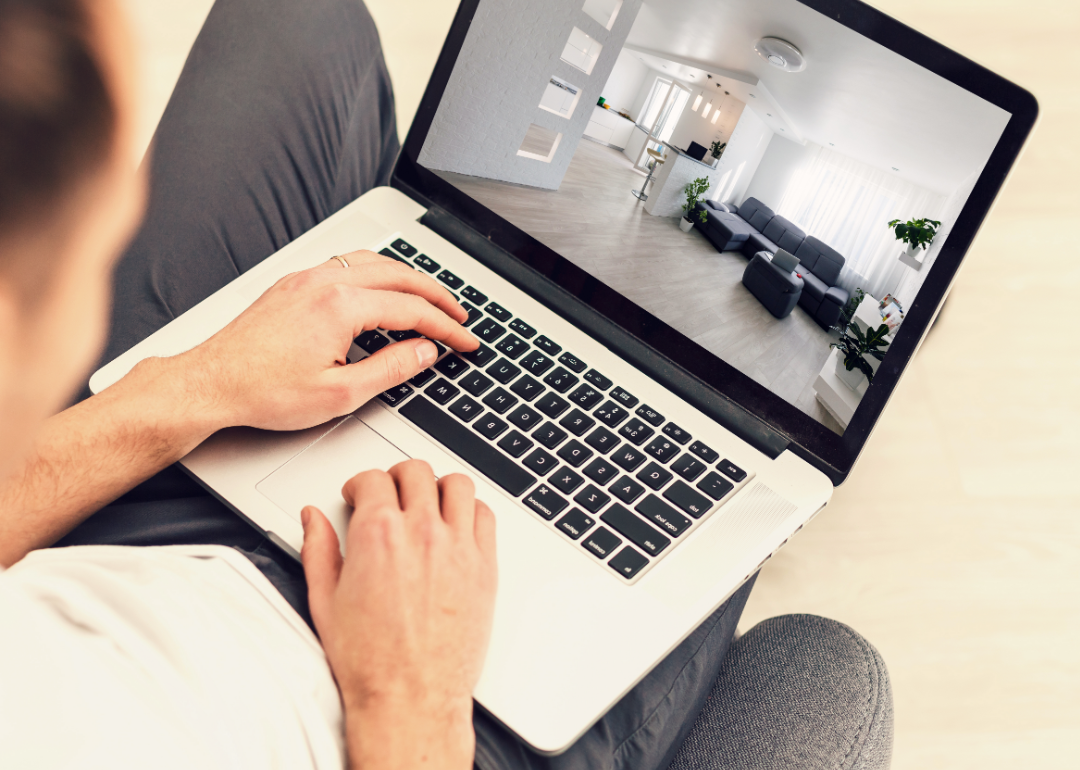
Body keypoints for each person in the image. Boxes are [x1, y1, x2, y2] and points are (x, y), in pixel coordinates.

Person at [0, 0, 893, 768]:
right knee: (772, 526)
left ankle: (414, 253)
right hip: (425, 717)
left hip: (111, 533)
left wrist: (198, 383)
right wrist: (410, 702)